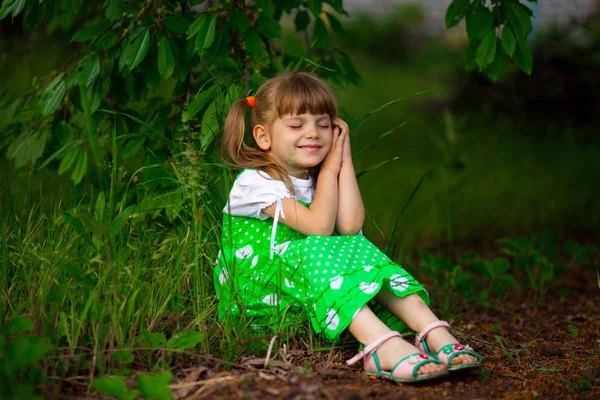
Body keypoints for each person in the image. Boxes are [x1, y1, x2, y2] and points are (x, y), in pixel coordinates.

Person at [214, 71, 482, 383]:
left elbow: (351, 225)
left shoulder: (315, 179)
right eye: (297, 125)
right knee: (318, 248)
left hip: (302, 289)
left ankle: (433, 332)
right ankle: (381, 345)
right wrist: (329, 169)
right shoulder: (256, 182)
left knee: (354, 242)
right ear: (263, 137)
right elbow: (318, 228)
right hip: (260, 300)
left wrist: (344, 160)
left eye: (324, 125)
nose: (313, 133)